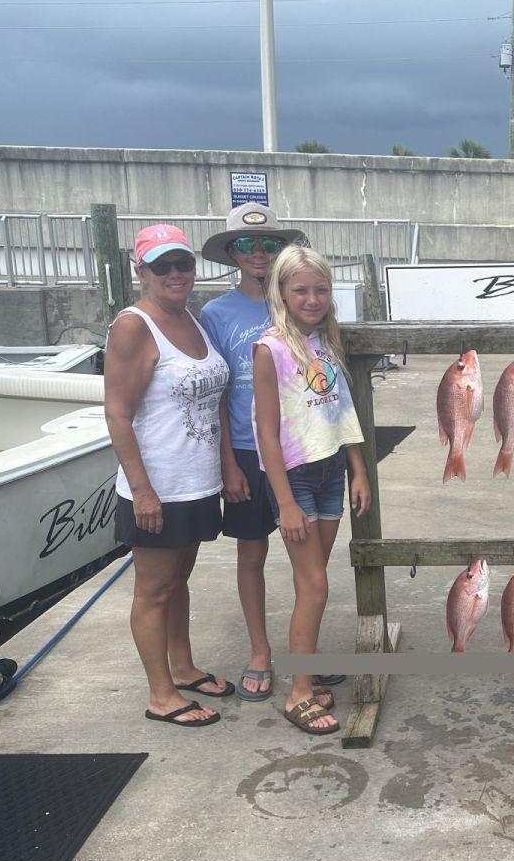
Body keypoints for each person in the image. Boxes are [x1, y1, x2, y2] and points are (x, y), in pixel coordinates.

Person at [104, 224, 234, 727]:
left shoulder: (192, 321)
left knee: (180, 579)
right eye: (162, 266)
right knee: (153, 590)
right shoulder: (134, 326)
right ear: (142, 272)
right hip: (157, 487)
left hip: (196, 483)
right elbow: (117, 414)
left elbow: (215, 401)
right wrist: (142, 491)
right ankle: (160, 694)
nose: (176, 274)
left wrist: (224, 467)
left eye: (183, 264)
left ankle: (182, 667)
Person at [252, 245, 371, 734]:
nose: (312, 298)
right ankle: (298, 690)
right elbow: (265, 432)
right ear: (281, 291)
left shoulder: (326, 340)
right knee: (315, 586)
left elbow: (342, 410)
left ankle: (308, 666)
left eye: (320, 289)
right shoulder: (270, 349)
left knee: (314, 582)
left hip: (330, 474)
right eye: (300, 289)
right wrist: (284, 502)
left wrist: (358, 468)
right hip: (296, 478)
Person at [198, 204, 310, 701]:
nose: (259, 253)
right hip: (246, 450)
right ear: (231, 253)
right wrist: (227, 461)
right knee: (252, 553)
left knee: (310, 558)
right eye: (246, 244)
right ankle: (260, 649)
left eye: (268, 244)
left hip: (302, 449)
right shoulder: (216, 314)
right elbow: (217, 392)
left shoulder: (299, 302)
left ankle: (305, 654)